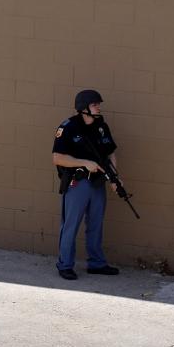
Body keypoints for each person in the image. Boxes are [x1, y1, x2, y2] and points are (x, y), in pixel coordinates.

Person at [52, 89, 121, 280]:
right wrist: (83, 163)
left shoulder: (101, 126)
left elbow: (110, 153)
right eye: (94, 104)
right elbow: (57, 158)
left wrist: (115, 178)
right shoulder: (68, 127)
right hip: (78, 183)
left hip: (98, 183)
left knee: (96, 224)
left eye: (98, 104)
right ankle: (65, 265)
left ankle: (97, 263)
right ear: (83, 108)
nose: (98, 107)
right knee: (71, 225)